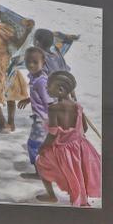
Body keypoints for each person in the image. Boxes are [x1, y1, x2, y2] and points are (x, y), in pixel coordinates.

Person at [34, 71, 101, 207]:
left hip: (63, 149)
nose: (46, 89)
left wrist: (43, 147)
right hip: (80, 146)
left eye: (48, 86)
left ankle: (51, 195)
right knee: (80, 173)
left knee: (40, 162)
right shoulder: (77, 107)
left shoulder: (53, 109)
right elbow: (84, 128)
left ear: (60, 90)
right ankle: (82, 200)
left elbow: (52, 134)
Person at [20, 47, 56, 197]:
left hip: (43, 120)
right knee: (37, 146)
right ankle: (41, 171)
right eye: (28, 62)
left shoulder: (41, 81)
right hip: (40, 118)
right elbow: (39, 96)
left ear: (43, 62)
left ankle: (40, 172)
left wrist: (52, 122)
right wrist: (29, 99)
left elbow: (50, 103)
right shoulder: (35, 77)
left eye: (35, 62)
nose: (31, 65)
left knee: (34, 145)